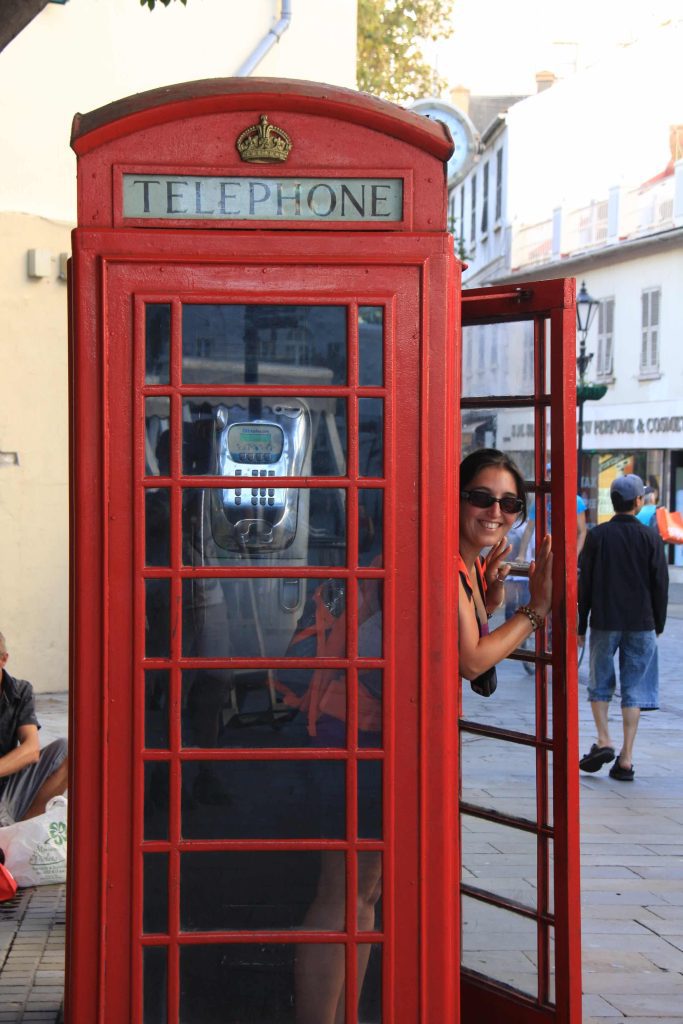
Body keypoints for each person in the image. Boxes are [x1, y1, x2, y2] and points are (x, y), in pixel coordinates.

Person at [578, 474, 668, 781]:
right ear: (638, 501)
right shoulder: (650, 538)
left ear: (614, 502)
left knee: (599, 683)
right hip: (641, 622)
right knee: (635, 690)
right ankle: (626, 759)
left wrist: (580, 624)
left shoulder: (597, 536)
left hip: (604, 620)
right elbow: (660, 583)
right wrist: (658, 622)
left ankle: (604, 739)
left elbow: (585, 584)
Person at [458, 449, 553, 688]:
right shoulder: (445, 565)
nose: (496, 512)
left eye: (509, 503)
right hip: (372, 715)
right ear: (455, 497)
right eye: (481, 498)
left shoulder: (473, 565)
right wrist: (536, 609)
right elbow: (471, 663)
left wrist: (486, 605)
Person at [0, 631, 68, 826]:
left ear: (4, 659)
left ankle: (23, 829)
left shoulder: (20, 691)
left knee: (67, 749)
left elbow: (31, 750)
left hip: (9, 785)